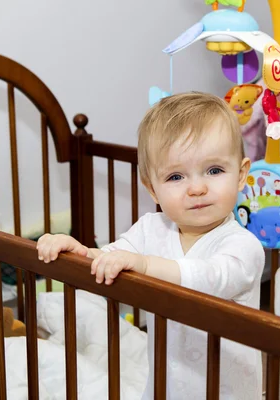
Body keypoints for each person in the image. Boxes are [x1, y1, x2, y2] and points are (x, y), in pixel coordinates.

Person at [36, 92, 265, 399]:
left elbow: (211, 278)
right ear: (152, 189)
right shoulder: (151, 228)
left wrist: (143, 265)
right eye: (175, 176)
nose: (197, 188)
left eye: (214, 170)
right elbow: (110, 257)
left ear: (241, 175)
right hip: (164, 381)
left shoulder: (243, 246)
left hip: (225, 389)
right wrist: (76, 250)